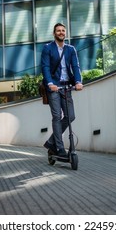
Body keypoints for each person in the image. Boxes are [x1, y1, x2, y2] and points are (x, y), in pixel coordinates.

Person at [41, 23, 83, 157]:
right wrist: (49, 83)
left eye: (63, 31)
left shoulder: (71, 49)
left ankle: (51, 141)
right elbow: (45, 67)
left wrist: (78, 82)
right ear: (54, 33)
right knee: (57, 116)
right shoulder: (48, 48)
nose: (61, 32)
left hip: (66, 86)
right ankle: (59, 148)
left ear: (66, 33)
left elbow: (76, 67)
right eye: (58, 31)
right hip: (53, 87)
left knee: (71, 115)